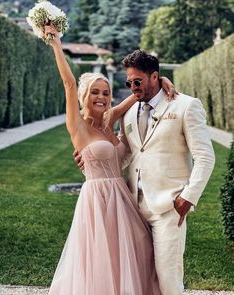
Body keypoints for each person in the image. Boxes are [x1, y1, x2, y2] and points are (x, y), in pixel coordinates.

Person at [45, 25, 176, 295]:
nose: (102, 97)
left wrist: (159, 82)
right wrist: (56, 43)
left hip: (122, 198)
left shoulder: (108, 121)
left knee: (136, 252)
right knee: (100, 259)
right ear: (84, 96)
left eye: (105, 92)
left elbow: (137, 94)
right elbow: (69, 84)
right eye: (95, 92)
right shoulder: (77, 126)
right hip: (97, 200)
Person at [75, 50, 215, 295]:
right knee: (139, 277)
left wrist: (188, 198)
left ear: (155, 77)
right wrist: (91, 156)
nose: (132, 87)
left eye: (137, 82)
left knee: (168, 280)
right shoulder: (130, 111)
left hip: (168, 208)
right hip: (131, 209)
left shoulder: (185, 106)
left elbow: (205, 157)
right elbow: (127, 152)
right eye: (128, 82)